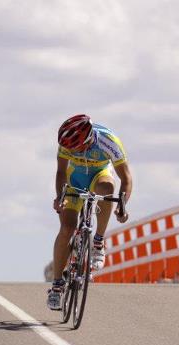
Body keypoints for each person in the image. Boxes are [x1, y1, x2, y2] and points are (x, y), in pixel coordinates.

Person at [47, 114, 133, 310]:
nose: (71, 151)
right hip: (74, 180)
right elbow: (61, 172)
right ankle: (57, 285)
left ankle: (98, 240)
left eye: (75, 149)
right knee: (66, 229)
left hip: (99, 175)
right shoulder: (66, 142)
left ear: (88, 141)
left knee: (107, 189)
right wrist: (60, 197)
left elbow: (126, 178)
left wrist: (122, 205)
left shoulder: (108, 141)